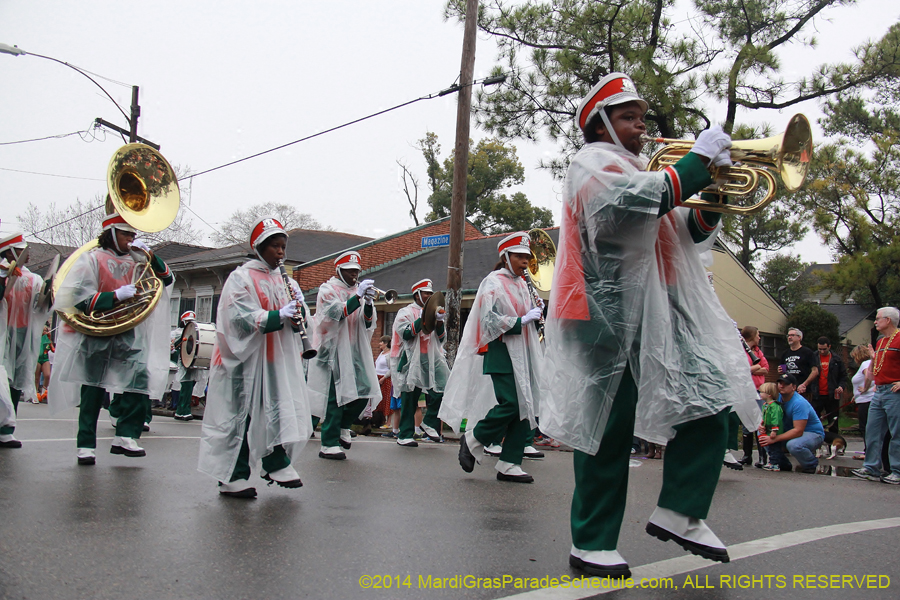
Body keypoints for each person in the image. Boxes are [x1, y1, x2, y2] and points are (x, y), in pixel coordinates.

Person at [538, 73, 760, 578]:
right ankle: (591, 542)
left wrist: (715, 192)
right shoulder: (590, 163)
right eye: (628, 117)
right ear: (601, 125)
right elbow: (630, 205)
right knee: (607, 431)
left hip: (661, 310)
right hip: (603, 314)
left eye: (641, 117)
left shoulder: (642, 170)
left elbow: (685, 232)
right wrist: (697, 163)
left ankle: (681, 509)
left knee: (712, 395)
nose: (641, 126)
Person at [198, 217, 310, 497]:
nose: (281, 253)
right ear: (260, 246)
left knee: (276, 411)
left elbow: (300, 320)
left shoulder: (285, 281)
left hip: (273, 362)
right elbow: (237, 318)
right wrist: (274, 316)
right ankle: (232, 476)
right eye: (275, 246)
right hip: (243, 363)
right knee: (239, 418)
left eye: (283, 247)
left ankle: (275, 462)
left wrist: (299, 314)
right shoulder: (242, 277)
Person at [48, 212, 173, 464]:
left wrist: (152, 256)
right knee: (92, 388)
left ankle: (126, 435)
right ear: (112, 233)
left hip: (129, 333)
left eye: (133, 234)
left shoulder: (139, 260)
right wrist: (115, 296)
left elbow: (167, 279)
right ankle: (85, 444)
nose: (131, 239)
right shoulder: (92, 259)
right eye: (126, 234)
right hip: (98, 333)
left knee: (139, 380)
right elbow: (78, 299)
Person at [439, 232, 545, 484]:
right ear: (506, 257)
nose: (524, 262)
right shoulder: (493, 282)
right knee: (510, 403)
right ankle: (474, 438)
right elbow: (488, 321)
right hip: (501, 351)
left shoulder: (523, 284)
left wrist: (537, 312)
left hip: (524, 350)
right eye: (519, 256)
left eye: (527, 257)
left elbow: (528, 316)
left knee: (524, 405)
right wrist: (521, 321)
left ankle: (510, 462)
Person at [307, 250, 380, 460]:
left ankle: (343, 426)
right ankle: (328, 443)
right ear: (339, 270)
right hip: (331, 350)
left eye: (356, 271)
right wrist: (357, 297)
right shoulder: (327, 289)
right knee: (335, 398)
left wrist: (367, 303)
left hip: (355, 350)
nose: (353, 275)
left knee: (364, 391)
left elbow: (368, 323)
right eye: (349, 271)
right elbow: (334, 313)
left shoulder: (359, 291)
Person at [0, 232, 53, 447]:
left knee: (16, 381)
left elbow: (42, 304)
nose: (27, 256)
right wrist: (6, 279)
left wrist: (50, 294)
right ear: (10, 252)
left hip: (22, 333)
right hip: (2, 334)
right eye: (21, 252)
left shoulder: (33, 278)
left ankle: (7, 429)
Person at [391, 278, 449, 447]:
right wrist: (425, 319)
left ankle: (429, 422)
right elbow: (406, 333)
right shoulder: (405, 312)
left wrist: (439, 322)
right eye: (425, 293)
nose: (429, 296)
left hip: (432, 357)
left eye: (431, 294)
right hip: (411, 358)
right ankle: (405, 434)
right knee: (410, 397)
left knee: (445, 386)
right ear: (416, 295)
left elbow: (441, 339)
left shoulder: (435, 313)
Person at [852, 306, 900, 485]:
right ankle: (871, 467)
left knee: (897, 433)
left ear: (888, 320)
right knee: (872, 430)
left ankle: (897, 470)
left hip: (895, 391)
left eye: (878, 318)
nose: (875, 321)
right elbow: (877, 366)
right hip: (879, 391)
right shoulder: (881, 341)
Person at [759, 374, 824, 473]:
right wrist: (762, 425)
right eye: (780, 383)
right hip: (789, 430)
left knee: (794, 445)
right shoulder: (777, 398)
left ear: (794, 387)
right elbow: (770, 416)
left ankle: (810, 464)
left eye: (786, 384)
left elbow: (798, 431)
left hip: (812, 433)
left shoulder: (799, 403)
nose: (781, 386)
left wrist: (775, 439)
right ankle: (782, 463)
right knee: (762, 435)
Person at [741, 325, 770, 465]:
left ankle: (763, 457)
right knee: (747, 423)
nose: (759, 337)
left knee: (760, 421)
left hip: (759, 390)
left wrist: (753, 370)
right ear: (752, 336)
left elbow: (766, 368)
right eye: (758, 335)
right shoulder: (741, 350)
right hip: (746, 390)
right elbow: (741, 370)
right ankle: (747, 456)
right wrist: (755, 368)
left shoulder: (758, 351)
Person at [172, 311, 205, 421]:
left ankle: (181, 411)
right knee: (186, 389)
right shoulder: (179, 333)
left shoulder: (195, 334)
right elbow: (175, 347)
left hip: (191, 364)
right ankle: (183, 411)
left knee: (188, 389)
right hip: (183, 365)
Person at [813, 336, 848, 433]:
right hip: (816, 394)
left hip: (831, 395)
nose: (822, 351)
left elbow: (843, 376)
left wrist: (841, 386)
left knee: (833, 421)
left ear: (829, 347)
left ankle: (833, 444)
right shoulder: (813, 357)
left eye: (824, 349)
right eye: (820, 349)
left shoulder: (836, 359)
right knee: (814, 420)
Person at [849, 343, 874, 458]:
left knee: (865, 427)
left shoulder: (865, 364)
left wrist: (865, 388)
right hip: (863, 399)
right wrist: (857, 394)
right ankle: (868, 450)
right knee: (868, 427)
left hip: (866, 401)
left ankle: (869, 452)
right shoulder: (869, 364)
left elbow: (869, 376)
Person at [779, 328, 819, 400]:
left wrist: (804, 384)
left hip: (803, 390)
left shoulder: (807, 352)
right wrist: (780, 371)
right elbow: (783, 372)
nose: (789, 337)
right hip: (788, 390)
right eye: (788, 335)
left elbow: (815, 371)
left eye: (792, 335)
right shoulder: (785, 353)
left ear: (799, 337)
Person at [757, 382, 784, 471]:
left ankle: (774, 463)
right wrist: (762, 424)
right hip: (767, 429)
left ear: (769, 395)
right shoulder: (765, 405)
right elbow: (764, 416)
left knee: (775, 447)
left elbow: (775, 419)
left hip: (774, 431)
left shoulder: (774, 406)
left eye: (762, 392)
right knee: (770, 447)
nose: (760, 394)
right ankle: (772, 461)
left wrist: (774, 430)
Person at [373, 335, 395, 431]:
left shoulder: (389, 355)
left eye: (381, 342)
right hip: (377, 378)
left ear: (386, 343)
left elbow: (391, 368)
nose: (379, 344)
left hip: (386, 379)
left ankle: (389, 422)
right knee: (379, 401)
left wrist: (383, 378)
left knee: (387, 400)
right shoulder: (381, 353)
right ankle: (379, 420)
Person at [35, 324, 54, 403]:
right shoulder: (37, 338)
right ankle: (35, 394)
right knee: (37, 377)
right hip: (37, 358)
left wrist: (49, 339)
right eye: (44, 330)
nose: (45, 332)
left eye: (46, 330)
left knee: (47, 375)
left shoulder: (47, 339)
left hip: (45, 358)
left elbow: (53, 349)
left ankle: (44, 390)